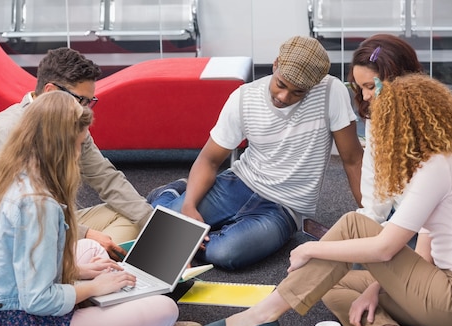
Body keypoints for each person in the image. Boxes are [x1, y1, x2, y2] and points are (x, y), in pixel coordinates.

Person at [203, 74, 452, 326]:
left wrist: (312, 250)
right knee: (332, 283)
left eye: (387, 121)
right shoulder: (444, 163)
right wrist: (375, 288)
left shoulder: (438, 169)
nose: (383, 132)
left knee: (354, 225)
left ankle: (264, 313)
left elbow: (385, 249)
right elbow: (425, 249)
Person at [0, 91, 202, 326]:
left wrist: (78, 272)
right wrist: (94, 288)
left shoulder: (8, 175)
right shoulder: (40, 204)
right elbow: (37, 301)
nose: (79, 154)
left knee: (89, 251)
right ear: (61, 147)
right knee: (165, 308)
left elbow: (17, 263)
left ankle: (117, 316)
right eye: (79, 145)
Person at [148, 36, 363, 270]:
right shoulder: (244, 97)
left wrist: (370, 218)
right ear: (275, 64)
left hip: (283, 208)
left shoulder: (332, 93)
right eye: (281, 84)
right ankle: (172, 195)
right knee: (163, 237)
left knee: (225, 254)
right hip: (237, 184)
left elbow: (353, 160)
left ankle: (175, 213)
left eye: (297, 92)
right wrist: (189, 204)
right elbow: (209, 160)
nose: (284, 97)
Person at [0, 47, 152, 260]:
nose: (87, 110)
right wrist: (86, 234)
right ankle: (83, 266)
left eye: (90, 102)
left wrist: (157, 225)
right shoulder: (4, 132)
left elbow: (107, 178)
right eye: (81, 100)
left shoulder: (73, 122)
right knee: (90, 243)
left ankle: (85, 265)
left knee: (129, 216)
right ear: (50, 91)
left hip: (49, 220)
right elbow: (20, 210)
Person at [348, 34, 424, 224]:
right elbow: (373, 172)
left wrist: (383, 235)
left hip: (429, 225)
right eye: (360, 88)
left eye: (371, 87)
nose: (365, 96)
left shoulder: (429, 123)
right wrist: (368, 222)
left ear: (397, 79)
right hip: (397, 217)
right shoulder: (378, 113)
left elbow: (427, 206)